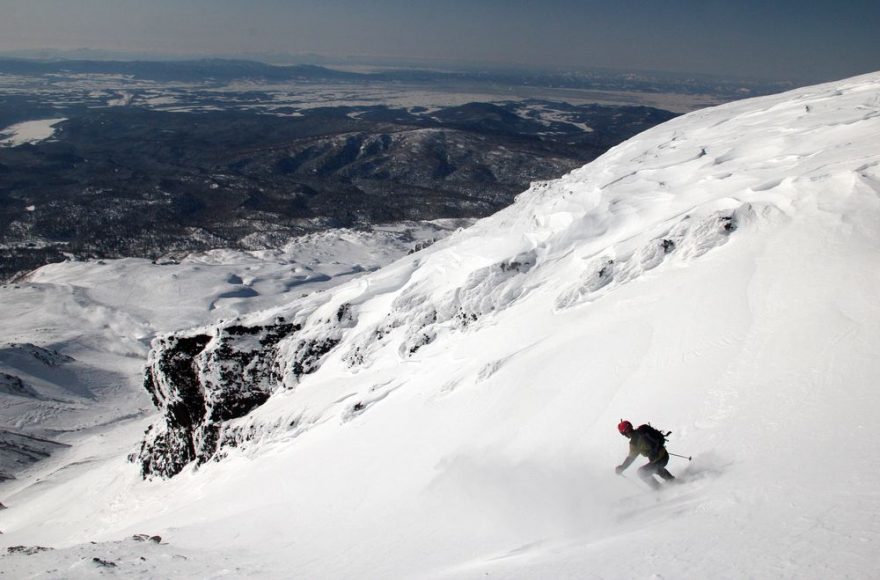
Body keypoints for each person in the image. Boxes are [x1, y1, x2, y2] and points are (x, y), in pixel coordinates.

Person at [615, 419, 675, 489]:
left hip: (658, 460)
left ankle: (658, 488)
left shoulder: (634, 443)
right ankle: (672, 480)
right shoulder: (643, 429)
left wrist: (622, 467)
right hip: (664, 455)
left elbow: (631, 458)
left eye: (623, 434)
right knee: (655, 468)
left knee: (641, 472)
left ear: (625, 433)